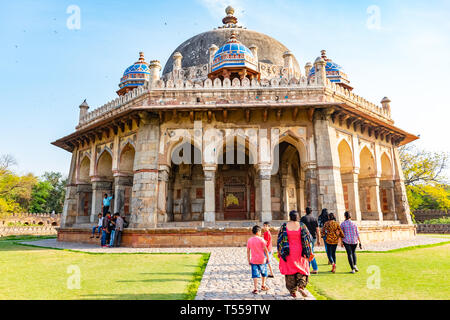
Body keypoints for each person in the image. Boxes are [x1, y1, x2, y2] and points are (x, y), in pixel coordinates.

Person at [277, 210, 313, 298]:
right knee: (302, 269)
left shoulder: (285, 226)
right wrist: (309, 251)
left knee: (290, 271)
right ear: (298, 217)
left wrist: (279, 251)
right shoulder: (302, 225)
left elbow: (279, 239)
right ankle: (301, 286)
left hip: (288, 251)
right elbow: (308, 239)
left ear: (290, 217)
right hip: (300, 251)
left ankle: (293, 291)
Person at [247, 225, 270, 295]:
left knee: (255, 275)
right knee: (264, 273)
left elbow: (248, 251)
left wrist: (249, 260)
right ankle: (263, 285)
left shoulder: (249, 240)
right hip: (262, 260)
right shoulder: (261, 240)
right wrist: (268, 258)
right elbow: (265, 250)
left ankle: (255, 288)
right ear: (258, 232)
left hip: (253, 260)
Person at [300, 207, 320, 274]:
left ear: (305, 211)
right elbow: (317, 230)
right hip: (313, 238)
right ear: (311, 211)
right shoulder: (314, 219)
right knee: (310, 252)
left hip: (306, 238)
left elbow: (301, 228)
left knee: (310, 253)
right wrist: (318, 239)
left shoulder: (303, 219)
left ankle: (313, 268)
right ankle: (309, 267)